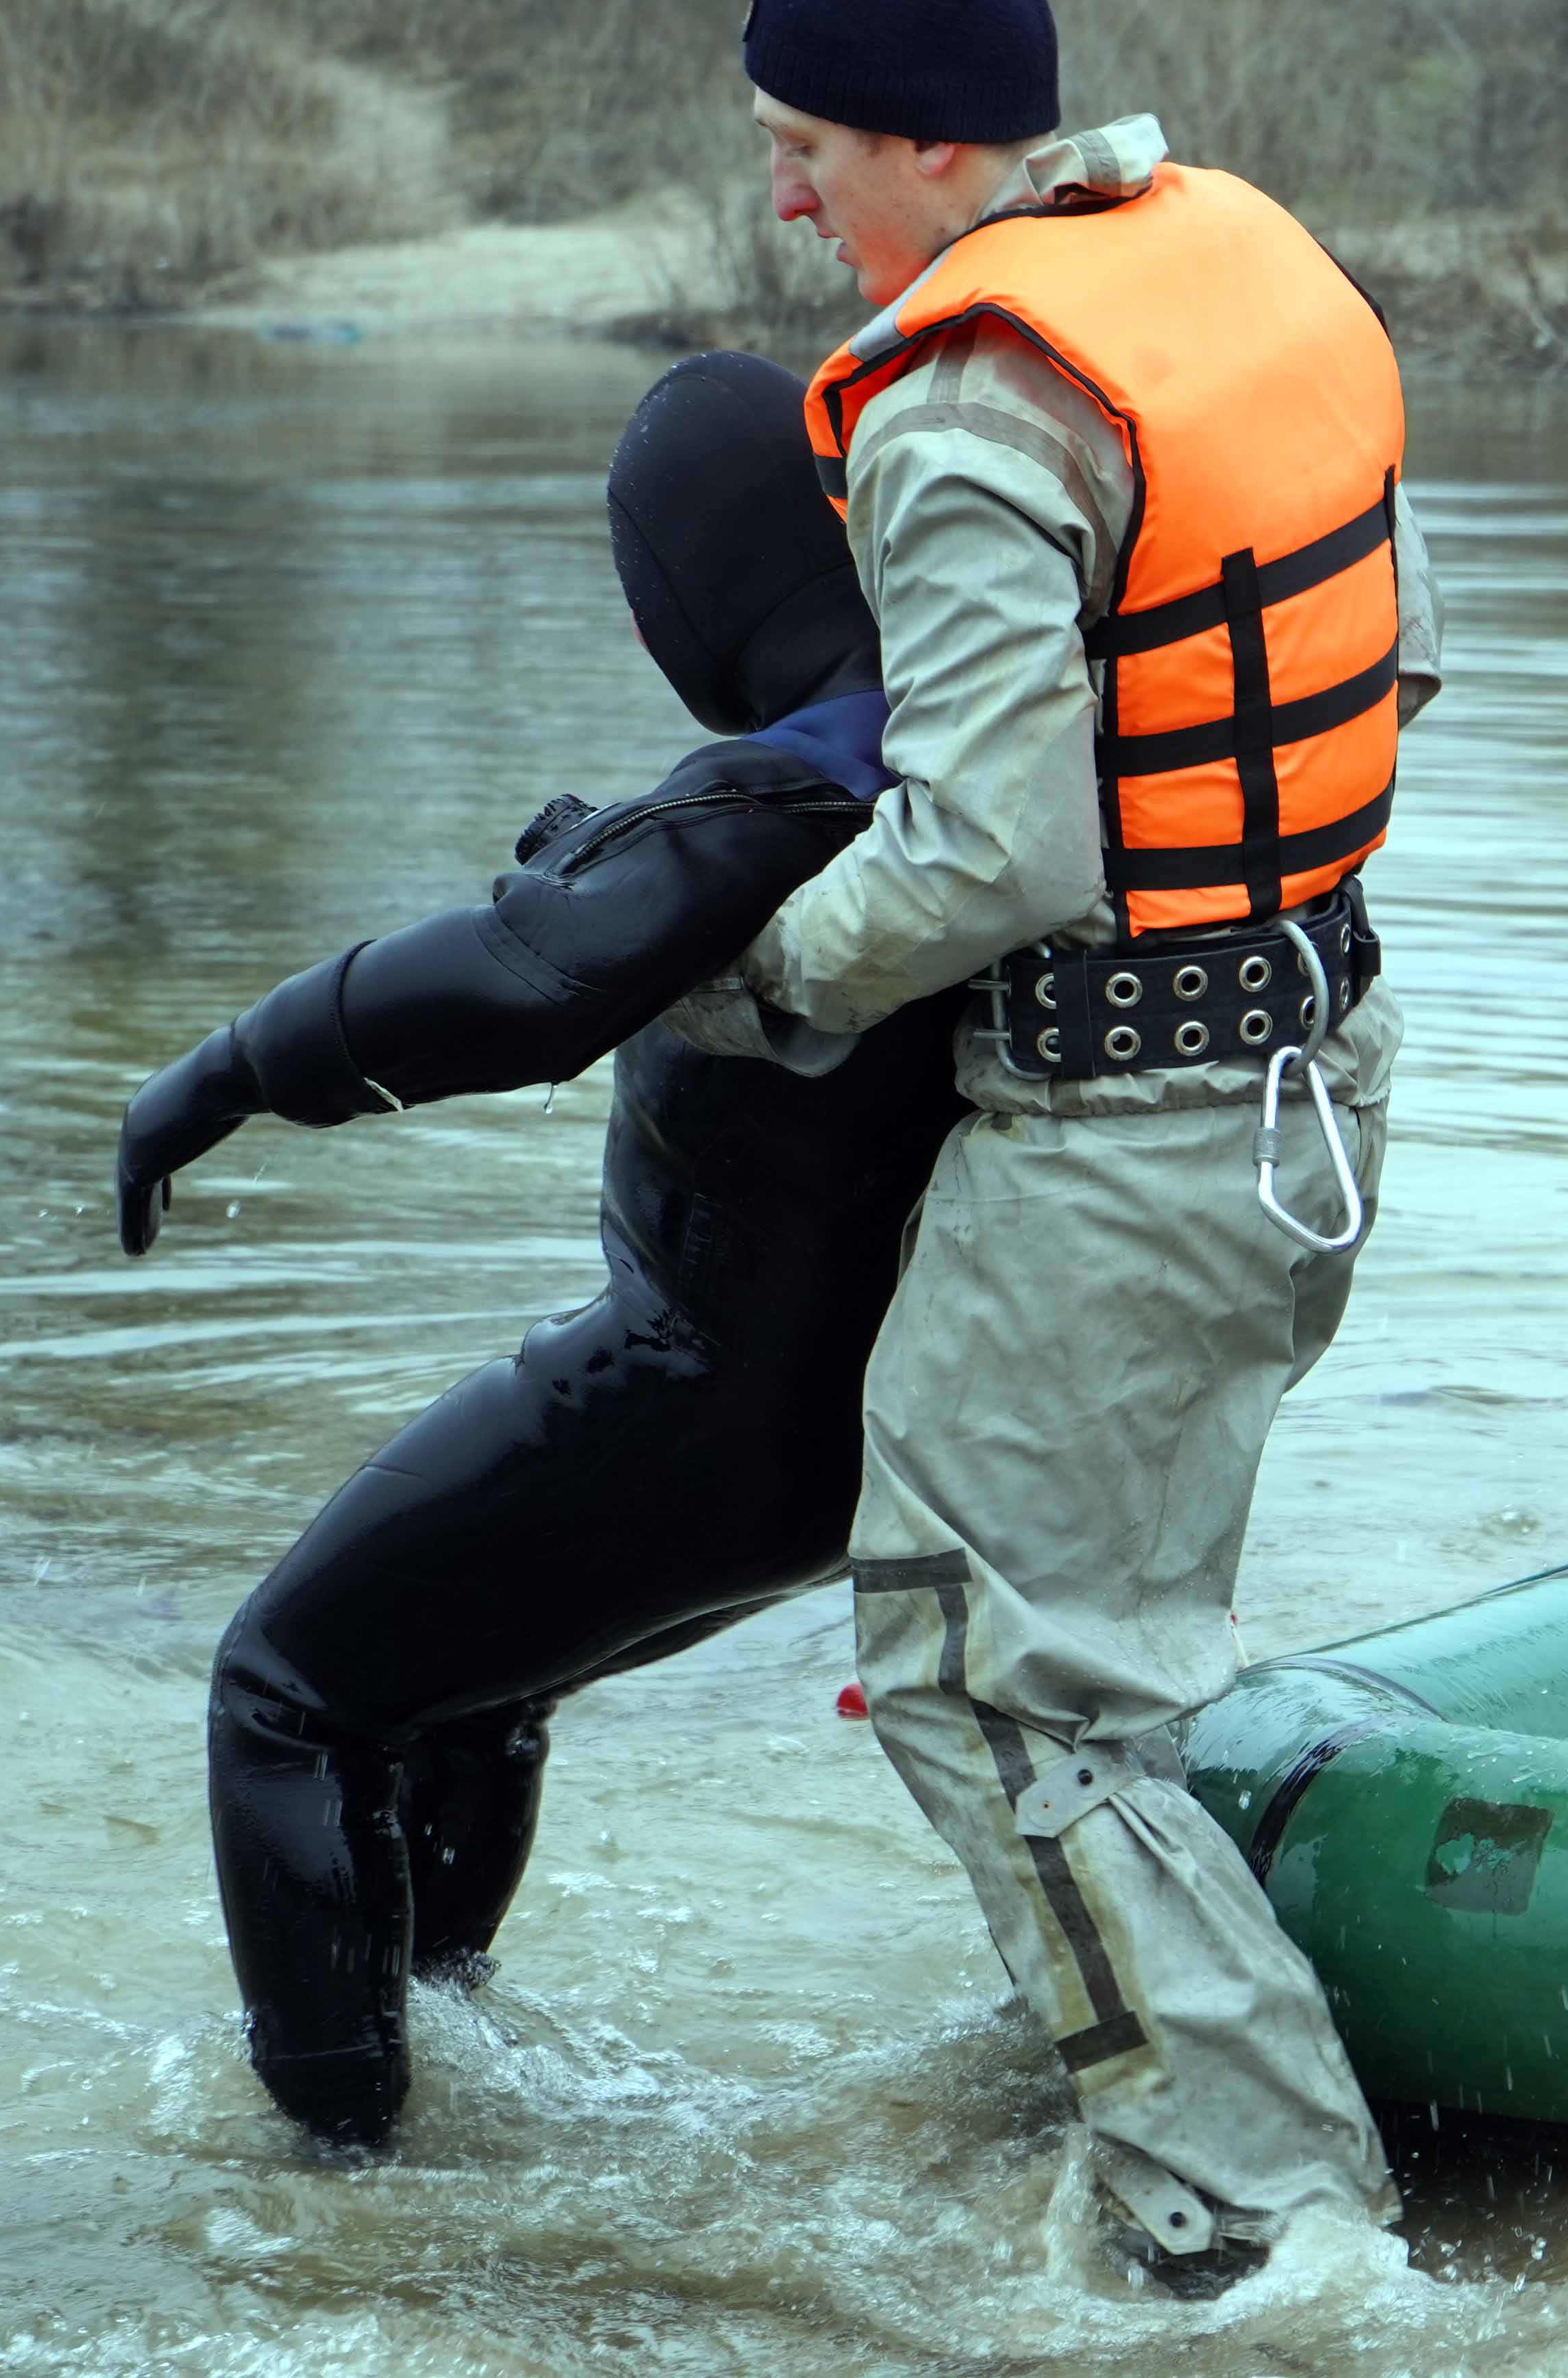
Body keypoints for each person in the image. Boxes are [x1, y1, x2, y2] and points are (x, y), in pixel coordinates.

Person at [715, 0, 1441, 2289]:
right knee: (1104, 1662)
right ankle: (1206, 2142)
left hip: (1123, 1137)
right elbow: (1400, 659)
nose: (792, 202)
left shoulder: (963, 409)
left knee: (976, 1673)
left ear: (934, 147)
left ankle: (1261, 2238)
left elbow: (991, 850)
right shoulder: (1241, 271)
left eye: (811, 149)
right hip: (1315, 1073)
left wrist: (755, 971)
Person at [109, 353, 966, 2152]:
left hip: (705, 1395)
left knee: (286, 1693)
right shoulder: (981, 753)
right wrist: (609, 848)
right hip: (861, 1417)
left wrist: (223, 1071)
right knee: (462, 1685)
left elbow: (528, 983)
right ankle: (453, 2085)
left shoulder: (808, 783)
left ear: (694, 586)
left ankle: (340, 2199)